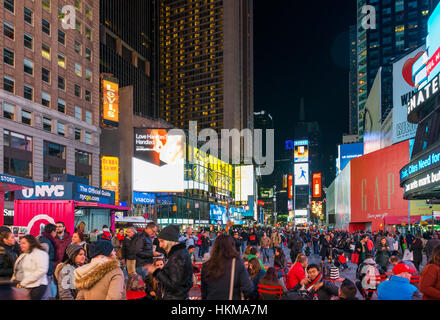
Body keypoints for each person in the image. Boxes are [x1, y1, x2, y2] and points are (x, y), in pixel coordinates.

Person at [146, 225, 193, 300]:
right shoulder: (180, 253)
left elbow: (173, 285)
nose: (160, 245)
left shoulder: (177, 256)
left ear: (170, 241)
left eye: (162, 241)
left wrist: (156, 271)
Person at [201, 234, 253, 300]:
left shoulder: (207, 265)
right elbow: (248, 289)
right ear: (232, 246)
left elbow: (204, 292)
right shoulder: (237, 264)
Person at [11, 235, 49, 300]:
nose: (21, 245)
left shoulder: (40, 253)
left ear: (31, 243)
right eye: (20, 243)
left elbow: (41, 270)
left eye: (24, 243)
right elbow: (17, 270)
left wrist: (24, 282)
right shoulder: (23, 255)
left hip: (36, 286)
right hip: (22, 286)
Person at [38, 223, 58, 299]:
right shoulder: (46, 241)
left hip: (47, 270)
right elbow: (43, 258)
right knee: (45, 294)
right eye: (55, 231)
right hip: (46, 271)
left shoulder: (45, 239)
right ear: (52, 231)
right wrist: (49, 271)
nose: (56, 233)